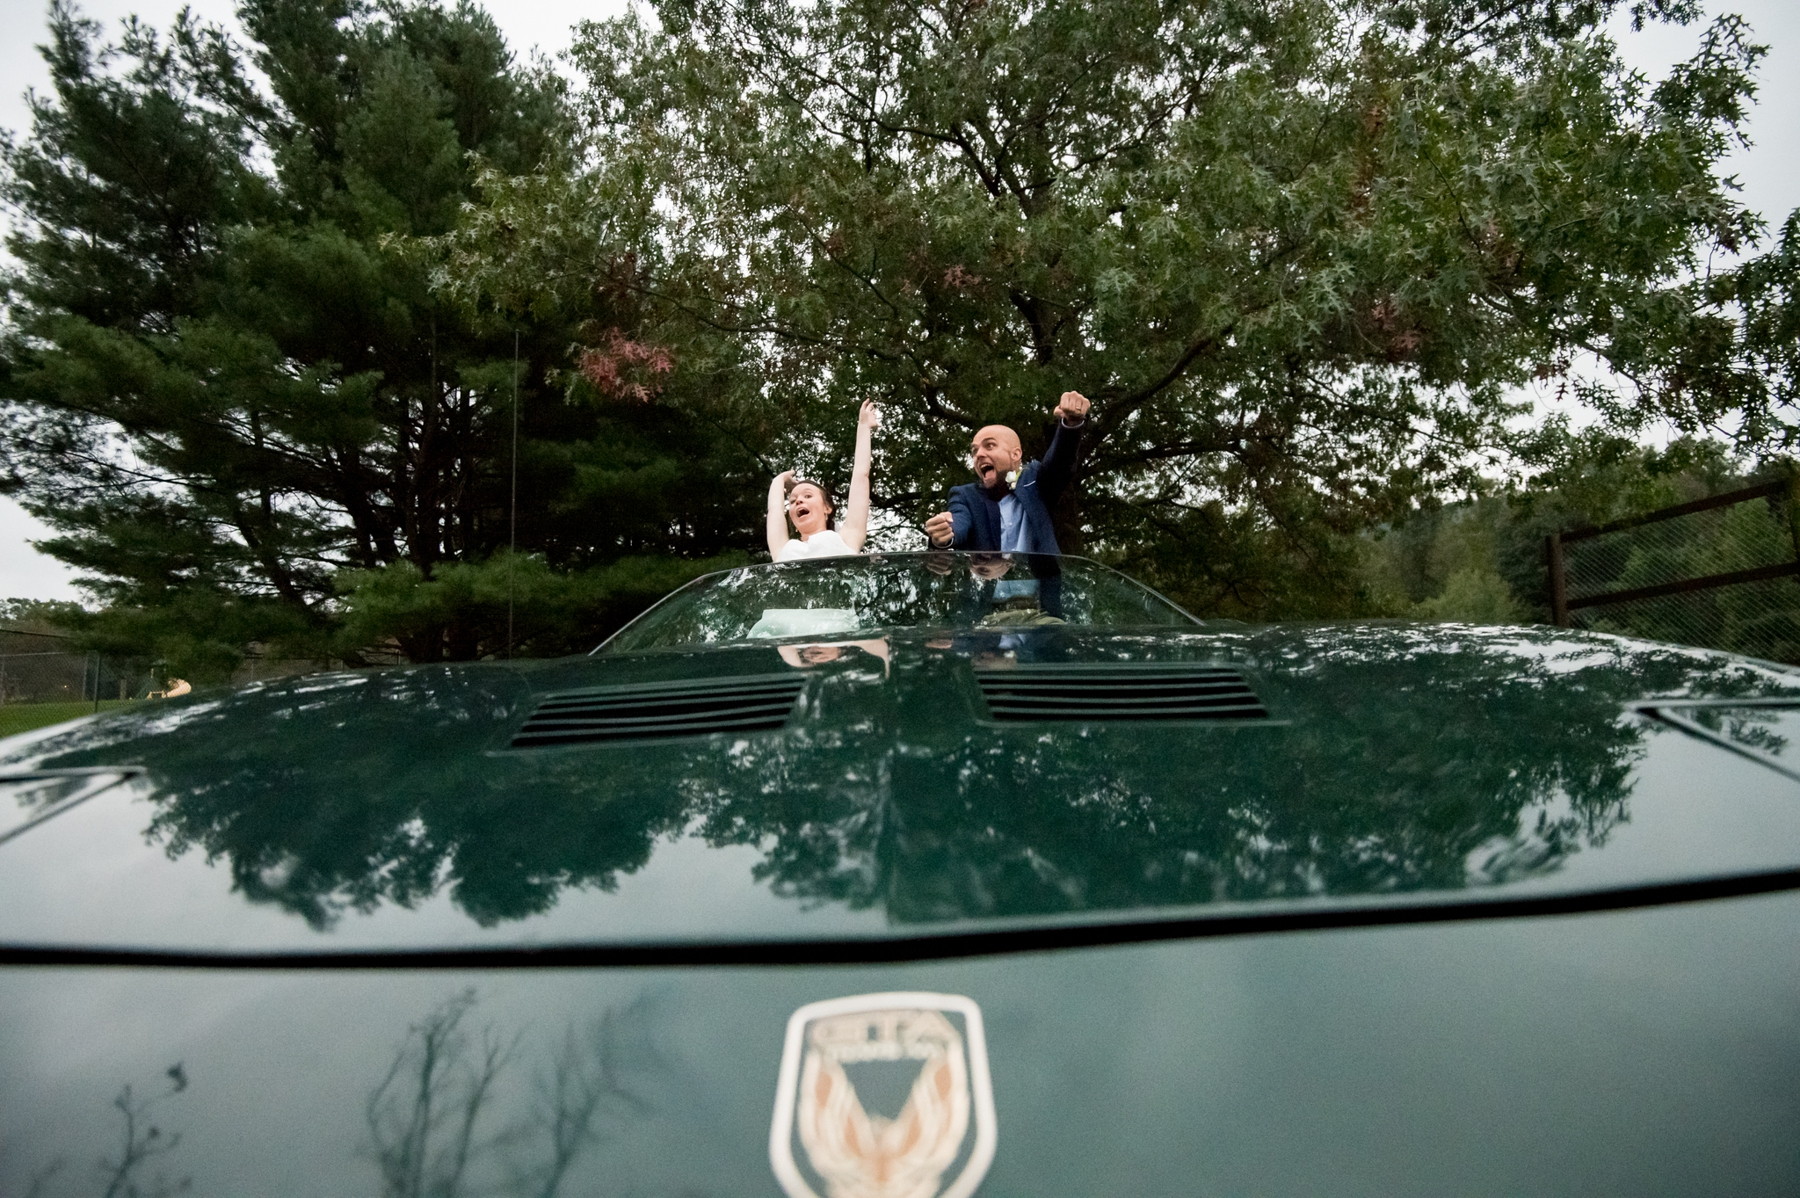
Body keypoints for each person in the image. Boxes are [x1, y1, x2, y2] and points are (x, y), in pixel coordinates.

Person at [923, 390, 1090, 554]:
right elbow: (958, 522)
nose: (979, 454)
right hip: (988, 573)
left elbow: (1060, 461)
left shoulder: (1036, 480)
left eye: (989, 445)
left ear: (1015, 454)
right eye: (974, 450)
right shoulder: (965, 496)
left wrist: (1071, 425)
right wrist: (944, 534)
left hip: (1040, 573)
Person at [767, 400, 879, 561]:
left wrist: (863, 426)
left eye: (808, 495)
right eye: (792, 501)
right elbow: (774, 510)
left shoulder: (847, 538)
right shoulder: (782, 549)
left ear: (827, 508)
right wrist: (779, 480)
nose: (798, 501)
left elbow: (861, 475)